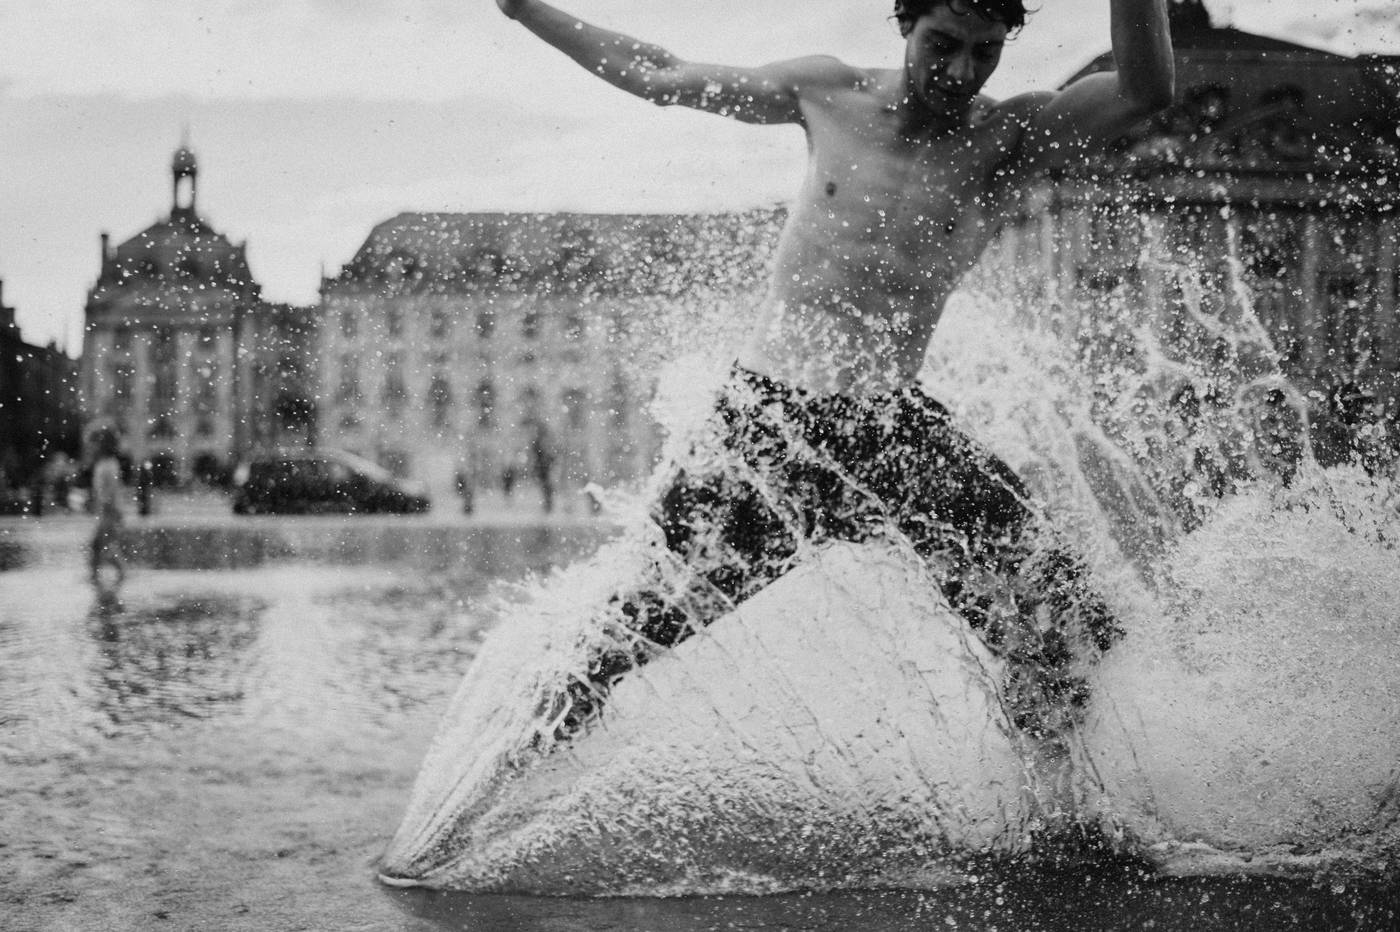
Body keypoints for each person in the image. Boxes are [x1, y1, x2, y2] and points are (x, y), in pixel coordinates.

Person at [492, 0, 1175, 744]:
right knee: (616, 645)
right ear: (905, 24)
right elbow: (660, 74)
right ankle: (478, 804)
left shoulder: (1008, 138)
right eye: (941, 44)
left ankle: (1061, 823)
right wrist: (524, 8)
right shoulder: (828, 95)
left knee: (1061, 623)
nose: (959, 71)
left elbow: (1145, 91)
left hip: (892, 430)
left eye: (984, 52)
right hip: (770, 424)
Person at [89, 429, 127, 592]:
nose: (92, 447)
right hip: (107, 511)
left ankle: (101, 579)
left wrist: (108, 509)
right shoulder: (105, 463)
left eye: (95, 443)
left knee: (100, 546)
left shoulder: (109, 465)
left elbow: (110, 491)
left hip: (110, 512)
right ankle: (101, 578)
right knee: (103, 546)